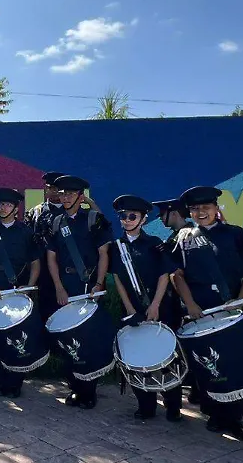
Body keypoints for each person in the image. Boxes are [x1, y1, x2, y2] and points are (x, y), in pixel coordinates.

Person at [169, 185, 243, 442]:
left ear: (215, 209)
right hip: (202, 312)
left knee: (236, 364)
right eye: (195, 209)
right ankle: (214, 413)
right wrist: (190, 304)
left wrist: (239, 300)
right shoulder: (183, 238)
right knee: (209, 363)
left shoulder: (235, 234)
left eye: (205, 208)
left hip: (233, 311)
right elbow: (177, 275)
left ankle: (235, 420)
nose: (200, 213)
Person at [109, 194, 182, 421]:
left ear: (143, 219)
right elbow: (118, 279)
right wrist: (130, 308)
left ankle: (173, 406)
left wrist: (155, 305)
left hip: (159, 308)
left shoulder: (154, 244)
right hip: (132, 310)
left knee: (166, 355)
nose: (127, 220)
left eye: (133, 216)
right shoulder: (116, 246)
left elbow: (164, 275)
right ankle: (146, 404)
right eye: (123, 216)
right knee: (137, 357)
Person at [47, 175, 112, 408]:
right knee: (68, 339)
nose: (65, 198)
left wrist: (99, 283)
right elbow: (51, 257)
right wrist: (58, 286)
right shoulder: (56, 222)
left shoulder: (93, 219)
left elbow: (104, 252)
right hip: (67, 286)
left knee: (88, 339)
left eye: (70, 194)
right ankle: (74, 387)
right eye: (62, 193)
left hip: (89, 286)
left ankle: (89, 390)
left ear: (80, 197)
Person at [0, 188, 41, 398]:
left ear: (16, 208)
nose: (2, 208)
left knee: (16, 338)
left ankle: (16, 383)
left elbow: (36, 264)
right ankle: (1, 381)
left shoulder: (26, 233)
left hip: (19, 294)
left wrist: (29, 288)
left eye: (7, 204)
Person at [153, 196, 199, 405]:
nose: (160, 218)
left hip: (191, 302)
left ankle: (199, 390)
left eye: (163, 213)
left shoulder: (190, 236)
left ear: (173, 213)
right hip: (177, 304)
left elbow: (182, 272)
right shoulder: (174, 238)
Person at [26, 171, 66, 318]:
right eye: (50, 188)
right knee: (45, 309)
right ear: (45, 188)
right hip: (42, 269)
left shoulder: (71, 211)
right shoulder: (35, 212)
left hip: (67, 267)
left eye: (57, 188)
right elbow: (28, 242)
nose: (54, 192)